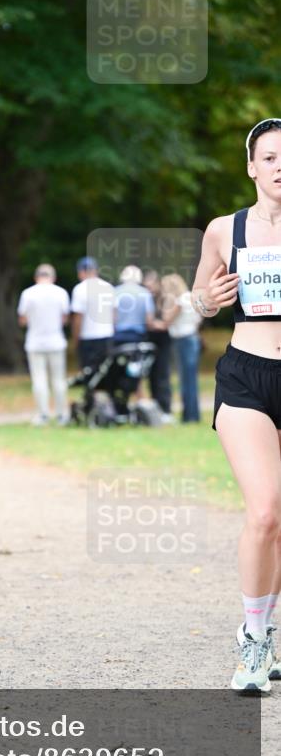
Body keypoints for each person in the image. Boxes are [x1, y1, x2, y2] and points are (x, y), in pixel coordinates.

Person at [191, 117, 281, 694]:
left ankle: (271, 634)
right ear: (252, 167)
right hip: (247, 376)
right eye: (270, 157)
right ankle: (252, 642)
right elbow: (199, 297)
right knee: (266, 510)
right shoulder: (226, 230)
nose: (280, 167)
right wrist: (209, 297)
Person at [17, 263, 70, 425]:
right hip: (56, 341)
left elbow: (22, 320)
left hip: (35, 342)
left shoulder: (28, 294)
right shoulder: (61, 293)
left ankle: (43, 414)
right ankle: (61, 414)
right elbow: (65, 318)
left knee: (39, 379)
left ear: (36, 277)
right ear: (53, 277)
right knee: (59, 379)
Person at [160, 273, 202, 423]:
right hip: (192, 338)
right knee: (190, 379)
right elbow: (198, 320)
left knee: (186, 380)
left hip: (183, 341)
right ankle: (192, 414)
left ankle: (189, 416)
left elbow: (166, 319)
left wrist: (166, 300)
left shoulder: (178, 300)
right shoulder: (190, 297)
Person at [70, 257, 115, 372]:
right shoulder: (108, 287)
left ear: (81, 272)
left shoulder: (79, 289)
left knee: (89, 372)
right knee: (105, 371)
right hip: (107, 336)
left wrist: (76, 339)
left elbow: (78, 319)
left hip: (88, 337)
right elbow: (114, 315)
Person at [143, 269, 174, 423]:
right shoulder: (145, 298)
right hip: (150, 338)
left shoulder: (165, 299)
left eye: (151, 286)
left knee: (162, 375)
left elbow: (165, 322)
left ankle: (166, 409)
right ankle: (155, 408)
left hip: (162, 339)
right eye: (146, 286)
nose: (149, 289)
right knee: (151, 375)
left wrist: (152, 324)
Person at [113, 265, 155, 344]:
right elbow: (149, 320)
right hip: (138, 336)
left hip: (118, 336)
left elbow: (112, 317)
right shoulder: (145, 293)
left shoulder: (116, 292)